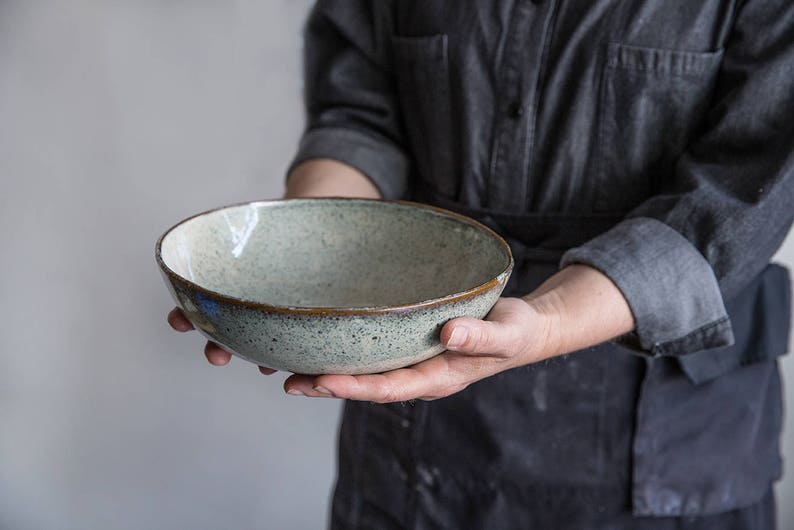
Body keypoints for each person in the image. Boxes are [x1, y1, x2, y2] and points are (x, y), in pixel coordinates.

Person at [168, 1, 794, 528]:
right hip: (409, 430)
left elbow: (744, 189)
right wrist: (307, 255)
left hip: (670, 452)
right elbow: (359, 113)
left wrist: (549, 320)